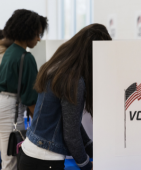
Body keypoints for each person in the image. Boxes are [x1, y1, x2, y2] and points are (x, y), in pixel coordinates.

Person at [18, 23, 112, 170]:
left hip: (29, 153)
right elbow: (71, 135)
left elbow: (70, 121)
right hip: (45, 160)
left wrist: (91, 149)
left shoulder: (55, 67)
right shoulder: (74, 81)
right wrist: (87, 165)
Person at [0, 9, 48, 170]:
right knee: (12, 162)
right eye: (37, 34)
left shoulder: (9, 52)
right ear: (28, 31)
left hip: (3, 104)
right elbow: (31, 99)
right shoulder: (26, 58)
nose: (39, 39)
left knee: (6, 159)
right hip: (11, 111)